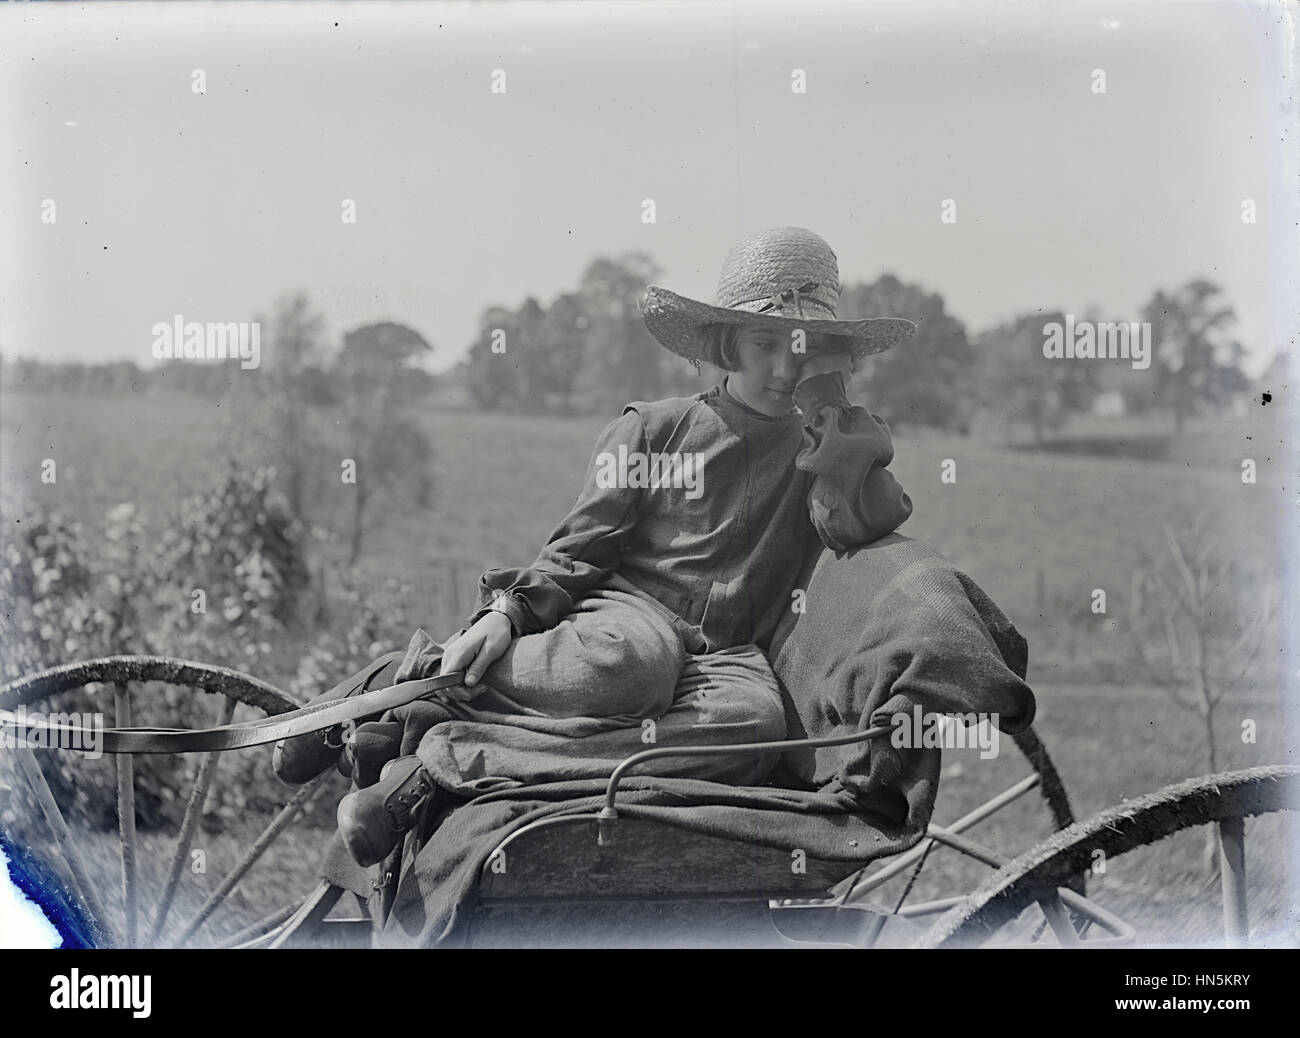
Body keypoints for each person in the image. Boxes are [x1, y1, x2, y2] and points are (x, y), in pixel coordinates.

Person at [278, 226, 917, 867]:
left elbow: (860, 522)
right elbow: (581, 544)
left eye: (805, 350)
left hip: (728, 656)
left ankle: (444, 751)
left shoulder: (823, 448)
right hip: (629, 619)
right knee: (633, 666)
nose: (783, 368)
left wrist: (830, 406)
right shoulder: (654, 429)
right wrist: (508, 612)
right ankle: (407, 679)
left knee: (757, 725)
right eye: (764, 342)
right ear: (727, 341)